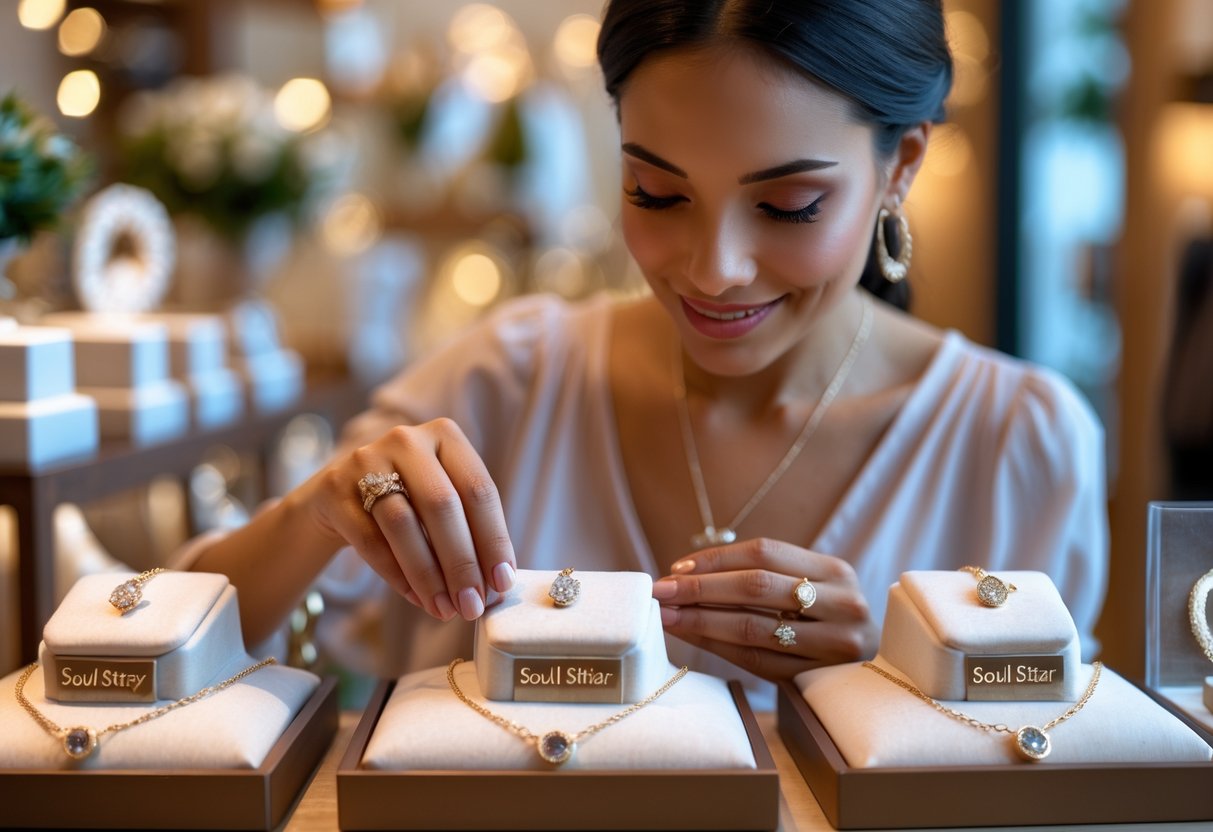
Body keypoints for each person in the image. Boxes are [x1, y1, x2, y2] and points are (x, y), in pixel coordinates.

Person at [188, 0, 1107, 707]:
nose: (716, 271)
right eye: (656, 193)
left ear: (900, 165)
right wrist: (317, 512)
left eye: (788, 207)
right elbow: (163, 647)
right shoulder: (509, 378)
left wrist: (890, 680)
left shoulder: (1016, 443)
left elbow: (1050, 774)